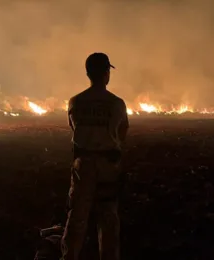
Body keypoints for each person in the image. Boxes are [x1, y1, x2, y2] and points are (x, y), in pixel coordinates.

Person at [61, 53, 129, 260]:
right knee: (107, 220)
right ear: (107, 73)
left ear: (88, 73)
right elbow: (122, 133)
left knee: (77, 218)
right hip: (108, 166)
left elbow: (74, 129)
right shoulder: (117, 104)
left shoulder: (75, 102)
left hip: (83, 165)